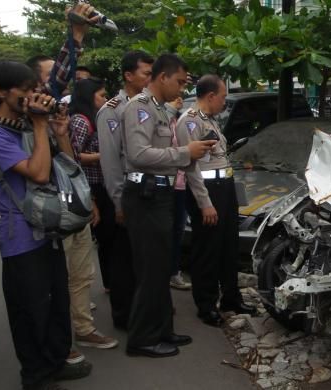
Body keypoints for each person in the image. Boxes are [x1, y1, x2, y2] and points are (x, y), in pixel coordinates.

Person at [0, 60, 91, 390]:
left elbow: (65, 166)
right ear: (0, 91)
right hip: (21, 236)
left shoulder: (27, 126)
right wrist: (40, 127)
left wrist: (59, 132)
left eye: (32, 89)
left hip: (48, 227)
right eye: (24, 91)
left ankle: (55, 362)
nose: (31, 97)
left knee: (57, 303)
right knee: (31, 309)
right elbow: (38, 173)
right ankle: (36, 376)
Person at [121, 54, 214, 358]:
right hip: (145, 196)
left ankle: (162, 330)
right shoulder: (140, 108)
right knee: (150, 271)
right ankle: (141, 339)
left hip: (161, 196)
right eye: (179, 81)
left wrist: (186, 154)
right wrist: (185, 152)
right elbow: (138, 154)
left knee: (161, 269)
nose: (182, 88)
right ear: (162, 77)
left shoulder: (162, 111)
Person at [179, 75, 257, 327]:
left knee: (228, 246)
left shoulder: (209, 120)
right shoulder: (190, 122)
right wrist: (204, 203)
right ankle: (206, 304)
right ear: (210, 96)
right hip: (207, 191)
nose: (225, 102)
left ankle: (231, 297)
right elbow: (191, 167)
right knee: (207, 250)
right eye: (223, 97)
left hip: (224, 187)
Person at [96, 50, 154, 330]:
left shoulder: (150, 105)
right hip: (123, 193)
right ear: (128, 75)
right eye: (146, 73)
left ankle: (144, 310)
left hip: (147, 192)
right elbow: (110, 161)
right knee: (123, 259)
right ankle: (124, 316)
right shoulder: (112, 110)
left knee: (143, 258)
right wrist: (119, 203)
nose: (150, 79)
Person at [67, 78, 119, 350]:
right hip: (89, 185)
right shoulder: (79, 121)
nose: (104, 98)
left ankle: (109, 282)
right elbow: (73, 156)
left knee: (108, 237)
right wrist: (105, 155)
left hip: (100, 183)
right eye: (101, 95)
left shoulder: (96, 118)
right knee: (103, 236)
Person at [166, 96, 192, 290]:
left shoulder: (180, 120)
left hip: (182, 184)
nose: (180, 98)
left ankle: (174, 271)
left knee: (177, 231)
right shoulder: (162, 118)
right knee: (166, 232)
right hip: (166, 186)